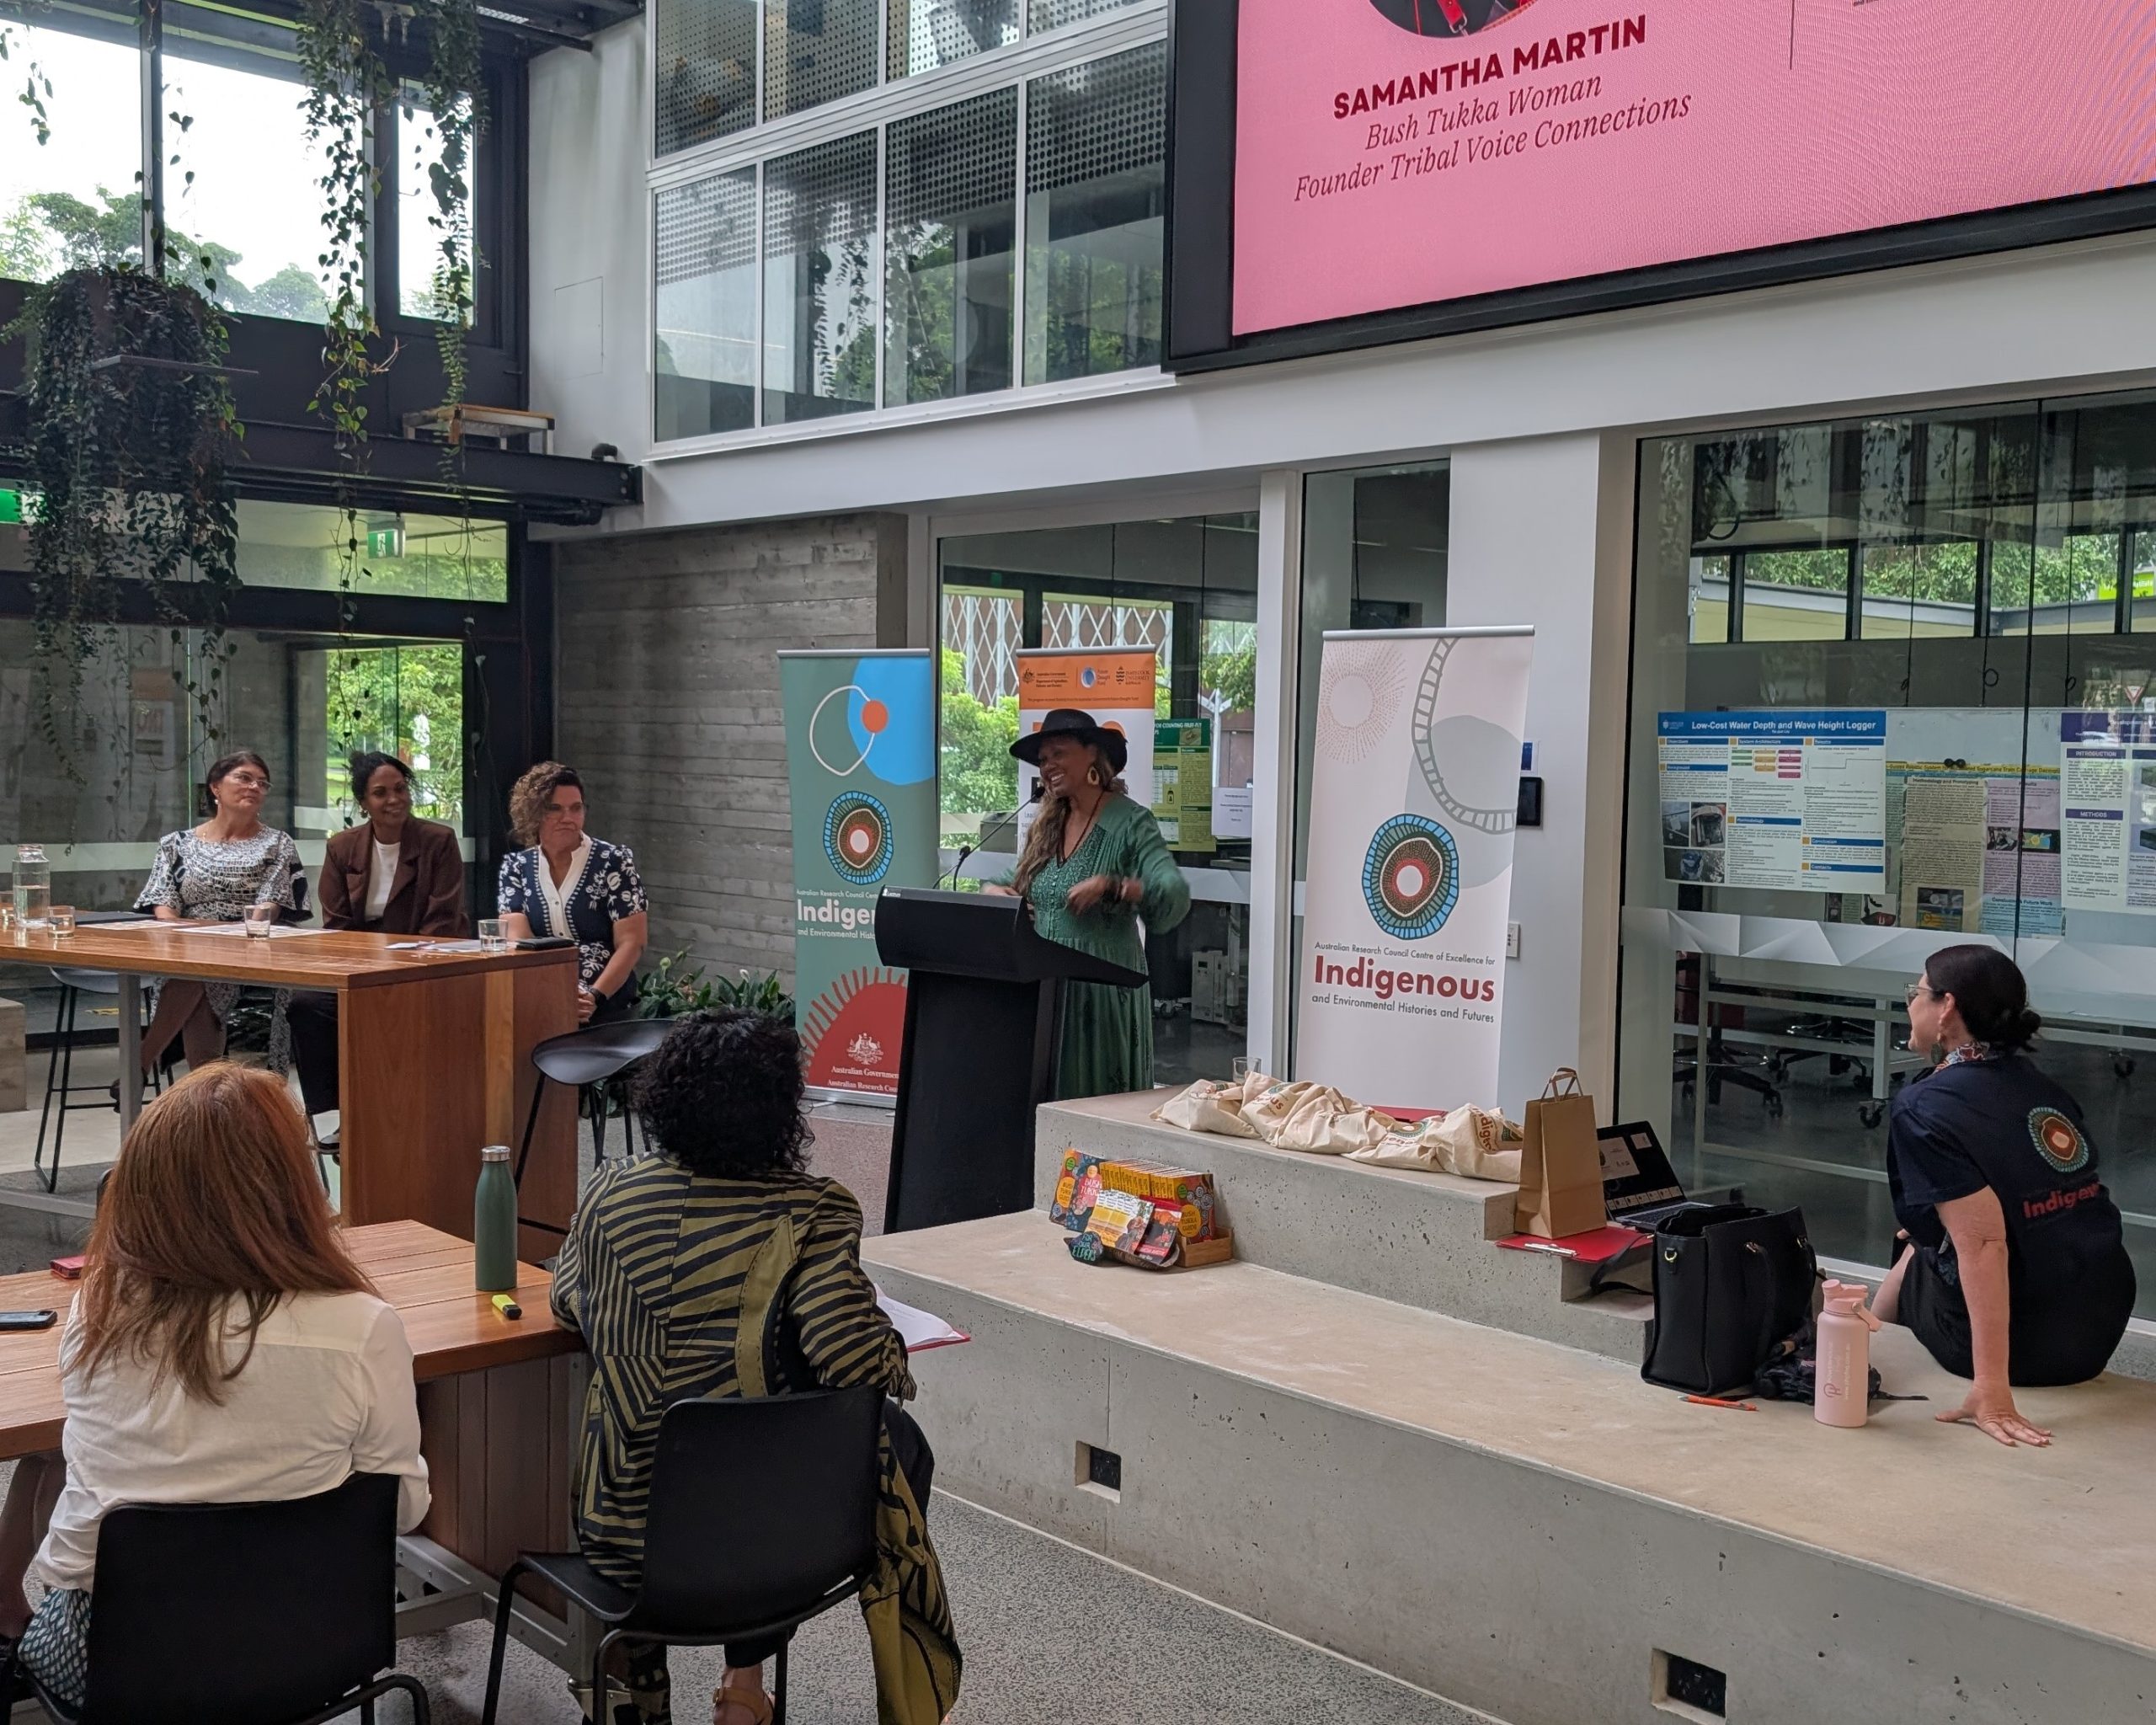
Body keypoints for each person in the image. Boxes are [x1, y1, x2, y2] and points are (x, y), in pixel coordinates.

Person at [549, 1009, 958, 1725]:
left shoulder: (611, 1192)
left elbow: (565, 1301)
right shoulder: (811, 1211)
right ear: (781, 1112)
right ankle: (744, 1685)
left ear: (666, 1098)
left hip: (617, 1538)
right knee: (892, 1439)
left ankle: (636, 1685)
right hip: (770, 1554)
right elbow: (851, 1358)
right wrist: (892, 1350)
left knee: (678, 1436)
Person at [0, 1063, 429, 1703]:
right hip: (315, 1643)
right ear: (292, 1184)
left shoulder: (98, 1311)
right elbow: (403, 1510)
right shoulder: (364, 1327)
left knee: (55, 1466)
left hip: (119, 1665)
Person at [1876, 944, 2137, 1448]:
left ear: (1946, 1008)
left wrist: (1992, 1389)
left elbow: (1984, 1246)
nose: (1911, 1005)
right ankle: (1872, 1329)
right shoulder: (2041, 1086)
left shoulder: (1925, 1105)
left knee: (1927, 1242)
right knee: (1936, 1225)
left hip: (2030, 1346)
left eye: (1916, 993)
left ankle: (1868, 1337)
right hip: (2099, 1324)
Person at [985, 708, 1189, 1097]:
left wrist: (1113, 887)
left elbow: (1172, 894)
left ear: (1093, 754)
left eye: (1059, 754)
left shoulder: (1130, 822)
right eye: (1043, 759)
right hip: (1047, 989)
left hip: (1102, 995)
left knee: (1092, 1102)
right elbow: (1004, 881)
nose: (1047, 766)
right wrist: (995, 893)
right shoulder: (1048, 825)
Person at [291, 752, 469, 1122]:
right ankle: (328, 1119)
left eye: (400, 789)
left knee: (397, 1004)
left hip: (424, 962)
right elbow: (337, 926)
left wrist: (397, 963)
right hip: (361, 962)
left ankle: (401, 1113)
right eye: (381, 793)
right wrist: (366, 966)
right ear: (363, 803)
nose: (394, 799)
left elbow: (443, 922)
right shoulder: (341, 847)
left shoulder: (438, 841)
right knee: (307, 1003)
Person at [134, 750, 305, 1076]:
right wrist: (189, 938)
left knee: (198, 973)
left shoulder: (277, 844)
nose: (254, 786)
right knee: (196, 971)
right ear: (215, 787)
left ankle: (142, 1060)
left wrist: (225, 938)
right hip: (185, 949)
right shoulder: (176, 844)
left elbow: (271, 904)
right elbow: (162, 903)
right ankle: (210, 1090)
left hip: (250, 948)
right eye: (244, 778)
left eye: (262, 783)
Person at [497, 762, 648, 1024]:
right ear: (532, 813)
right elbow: (520, 941)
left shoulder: (613, 861)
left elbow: (632, 942)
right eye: (554, 809)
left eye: (576, 808)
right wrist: (555, 992)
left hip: (606, 1003)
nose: (568, 818)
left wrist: (594, 996)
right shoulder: (516, 868)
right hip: (540, 998)